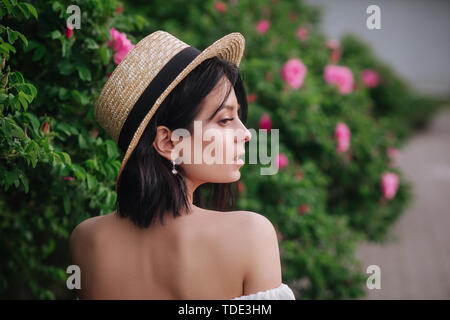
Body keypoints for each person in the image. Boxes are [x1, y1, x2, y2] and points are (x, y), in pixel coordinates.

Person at [69, 30, 295, 300]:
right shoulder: (251, 235)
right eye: (225, 120)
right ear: (168, 141)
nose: (246, 133)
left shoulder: (85, 240)